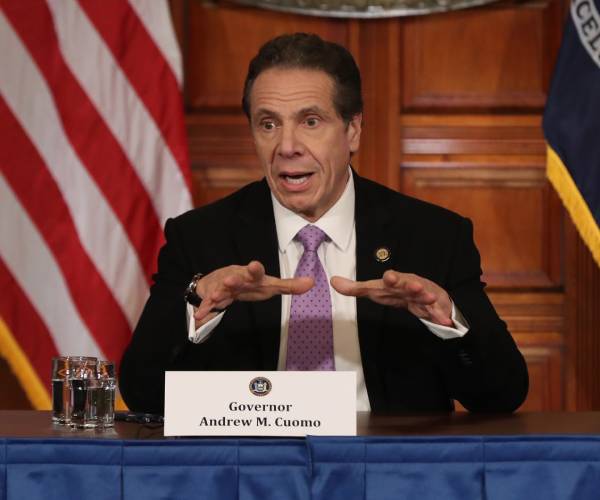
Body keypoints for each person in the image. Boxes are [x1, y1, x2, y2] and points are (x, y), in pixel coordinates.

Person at [119, 33, 528, 415]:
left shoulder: (431, 236)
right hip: (255, 461)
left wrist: (447, 322)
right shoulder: (201, 238)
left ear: (353, 131)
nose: (287, 146)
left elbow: (502, 395)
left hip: (384, 461)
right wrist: (198, 309)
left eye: (310, 121)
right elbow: (143, 394)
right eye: (268, 124)